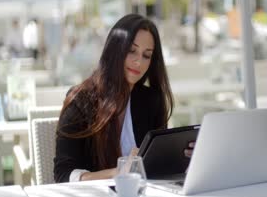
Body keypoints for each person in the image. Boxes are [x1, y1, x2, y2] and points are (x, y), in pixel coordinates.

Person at [54, 14, 190, 183]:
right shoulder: (81, 101)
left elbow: (157, 167)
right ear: (115, 49)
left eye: (146, 55)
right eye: (131, 51)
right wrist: (116, 173)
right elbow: (62, 175)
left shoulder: (152, 100)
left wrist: (182, 157)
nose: (138, 62)